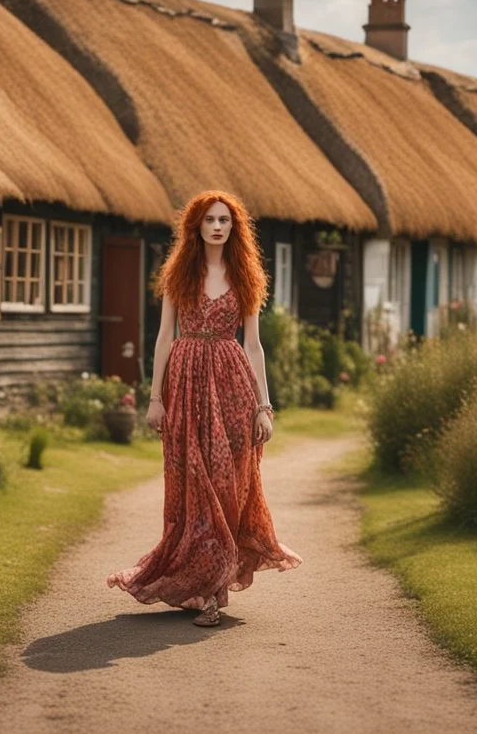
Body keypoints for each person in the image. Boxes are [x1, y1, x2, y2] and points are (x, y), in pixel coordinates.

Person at [106, 191, 302, 627]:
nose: (218, 226)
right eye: (210, 219)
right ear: (195, 226)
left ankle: (214, 590)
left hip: (233, 386)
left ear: (234, 229)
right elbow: (162, 338)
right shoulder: (180, 273)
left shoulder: (246, 276)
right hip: (186, 385)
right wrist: (155, 399)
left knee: (228, 483)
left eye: (226, 220)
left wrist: (264, 406)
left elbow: (253, 345)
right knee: (195, 488)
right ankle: (205, 587)